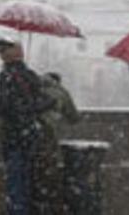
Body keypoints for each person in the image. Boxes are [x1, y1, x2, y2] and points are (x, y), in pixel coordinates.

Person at [0, 43, 54, 215]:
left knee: (15, 181)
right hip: (30, 134)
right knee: (27, 178)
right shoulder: (29, 75)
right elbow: (46, 101)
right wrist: (30, 109)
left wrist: (20, 109)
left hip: (14, 135)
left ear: (6, 56)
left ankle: (17, 210)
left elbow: (2, 108)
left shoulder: (6, 76)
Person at [32, 72, 80, 214]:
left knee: (34, 174)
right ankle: (51, 207)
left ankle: (36, 205)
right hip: (49, 136)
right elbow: (74, 117)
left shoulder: (34, 88)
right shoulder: (61, 92)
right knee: (50, 174)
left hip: (30, 135)